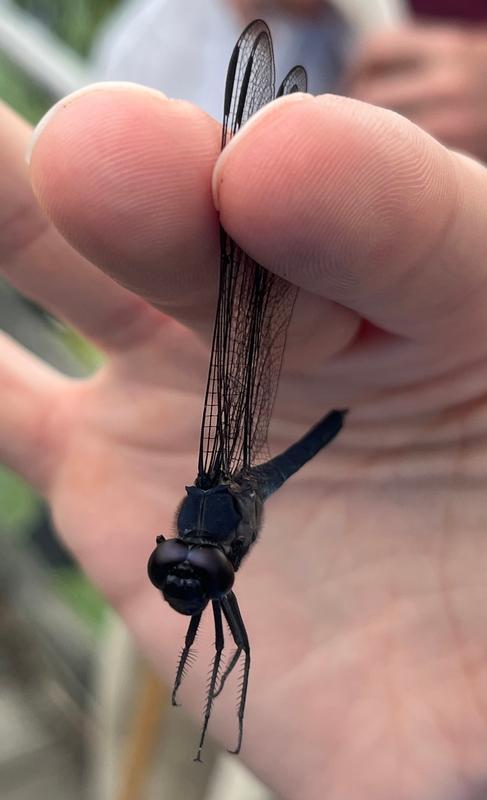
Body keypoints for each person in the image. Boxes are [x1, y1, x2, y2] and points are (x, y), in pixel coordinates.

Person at [2, 76, 487, 799]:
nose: (179, 575)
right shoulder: (204, 545)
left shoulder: (212, 523)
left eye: (178, 563)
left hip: (314, 417)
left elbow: (230, 645)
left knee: (276, 187)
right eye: (178, 564)